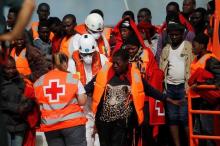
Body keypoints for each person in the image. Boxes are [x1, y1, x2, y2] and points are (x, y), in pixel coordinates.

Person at [85, 49, 181, 146]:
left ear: (127, 62)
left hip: (122, 123)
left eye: (117, 63)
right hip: (104, 122)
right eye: (113, 62)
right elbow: (87, 88)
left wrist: (168, 99)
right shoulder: (104, 73)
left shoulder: (135, 76)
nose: (114, 65)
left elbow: (149, 90)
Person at [34, 52, 87, 146]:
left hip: (50, 125)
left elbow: (38, 103)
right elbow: (82, 101)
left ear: (52, 64)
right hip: (73, 124)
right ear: (65, 63)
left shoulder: (39, 81)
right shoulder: (72, 78)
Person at [159, 22, 194, 146]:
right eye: (171, 35)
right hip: (169, 87)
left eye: (176, 35)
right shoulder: (166, 49)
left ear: (182, 34)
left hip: (184, 87)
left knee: (184, 118)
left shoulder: (188, 46)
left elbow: (193, 66)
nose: (174, 37)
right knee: (172, 119)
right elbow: (161, 68)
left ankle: (190, 143)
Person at [72, 34, 108, 146]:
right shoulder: (72, 62)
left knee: (101, 136)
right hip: (84, 104)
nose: (87, 57)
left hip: (101, 103)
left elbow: (109, 77)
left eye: (90, 54)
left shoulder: (103, 60)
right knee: (87, 136)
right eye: (84, 54)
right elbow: (71, 83)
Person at [189, 33, 220, 146]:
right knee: (199, 132)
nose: (192, 48)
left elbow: (218, 79)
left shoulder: (211, 60)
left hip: (207, 102)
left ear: (202, 46)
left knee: (207, 132)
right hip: (197, 100)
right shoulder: (197, 59)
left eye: (194, 45)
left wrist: (201, 85)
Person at [0, 56, 36, 146]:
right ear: (3, 68)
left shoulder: (22, 80)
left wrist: (26, 106)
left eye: (13, 67)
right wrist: (17, 108)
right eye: (8, 68)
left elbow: (31, 98)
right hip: (4, 125)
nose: (11, 71)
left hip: (20, 124)